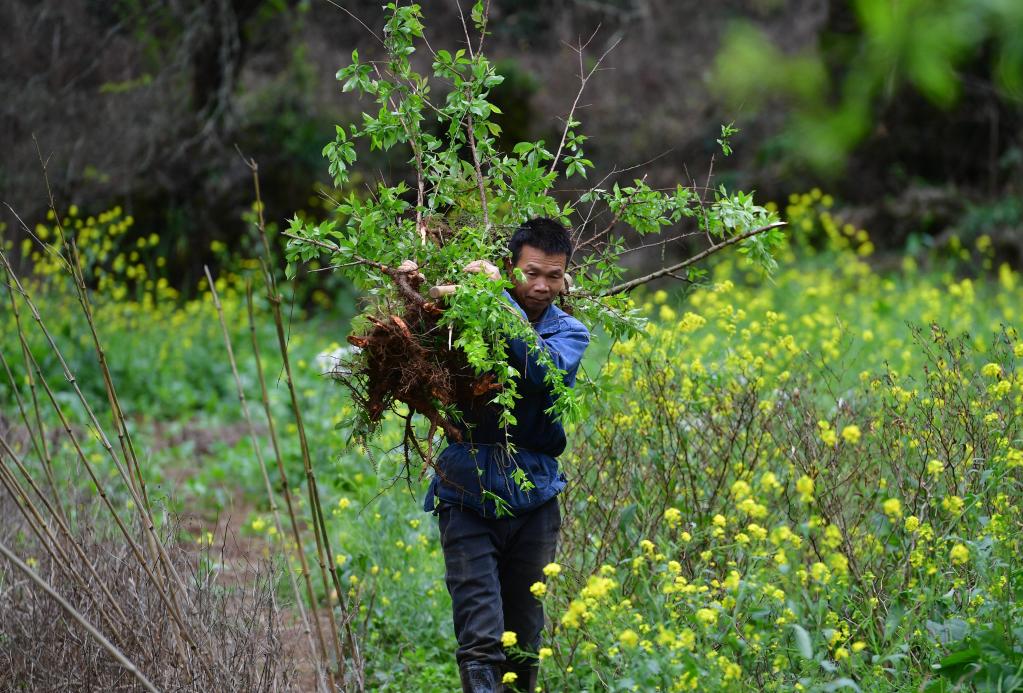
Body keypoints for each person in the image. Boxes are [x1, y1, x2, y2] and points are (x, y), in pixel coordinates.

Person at [422, 217, 590, 693]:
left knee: (522, 639)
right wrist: (421, 287)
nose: (541, 286)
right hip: (466, 492)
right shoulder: (468, 315)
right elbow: (421, 341)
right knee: (479, 637)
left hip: (534, 496)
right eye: (531, 273)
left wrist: (498, 303)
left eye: (553, 276)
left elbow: (545, 371)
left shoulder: (571, 333)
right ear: (510, 267)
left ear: (565, 277)